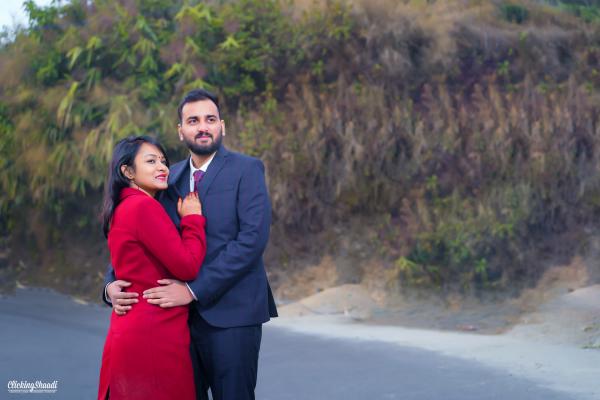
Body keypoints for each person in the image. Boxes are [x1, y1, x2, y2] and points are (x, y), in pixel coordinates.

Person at [103, 89, 278, 400]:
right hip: (176, 322)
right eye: (193, 120)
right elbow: (139, 237)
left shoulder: (247, 169)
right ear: (180, 130)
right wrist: (109, 285)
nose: (203, 127)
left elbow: (251, 241)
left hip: (233, 316)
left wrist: (193, 290)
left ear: (222, 126)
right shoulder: (166, 178)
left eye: (210, 119)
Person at [98, 136, 206, 400]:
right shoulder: (143, 206)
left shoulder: (121, 207)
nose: (162, 167)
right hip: (154, 332)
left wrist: (109, 287)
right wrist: (193, 220)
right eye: (151, 161)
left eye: (163, 161)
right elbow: (187, 267)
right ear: (127, 171)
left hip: (130, 326)